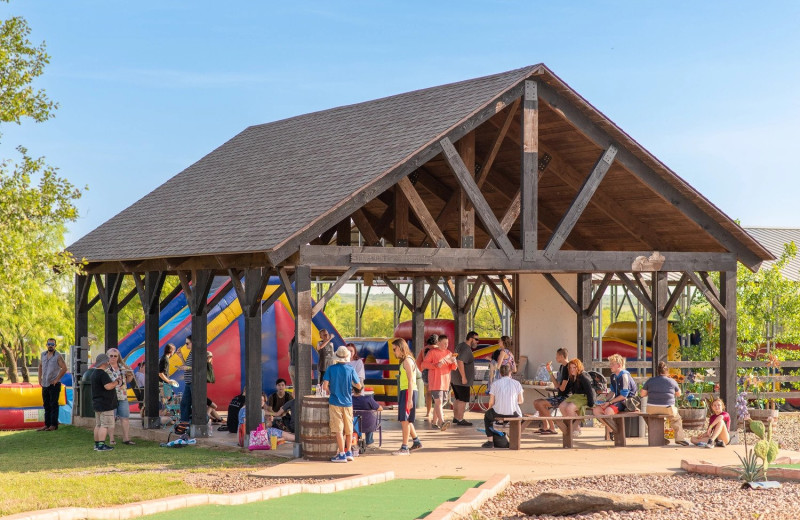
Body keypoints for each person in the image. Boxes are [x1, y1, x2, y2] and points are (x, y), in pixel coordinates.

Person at [322, 346, 362, 463]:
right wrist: (353, 389)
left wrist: (330, 391)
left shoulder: (331, 369)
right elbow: (359, 386)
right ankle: (349, 451)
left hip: (335, 402)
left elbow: (325, 386)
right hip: (348, 403)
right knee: (349, 429)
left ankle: (341, 454)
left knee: (338, 429)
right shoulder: (351, 369)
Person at [641, 361, 691, 446]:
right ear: (667, 371)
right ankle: (679, 438)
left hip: (652, 408)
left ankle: (660, 438)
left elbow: (642, 394)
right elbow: (679, 394)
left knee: (650, 418)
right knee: (676, 419)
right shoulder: (672, 381)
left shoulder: (650, 380)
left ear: (657, 372)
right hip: (667, 408)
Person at [391, 338, 423, 455]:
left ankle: (404, 447)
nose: (394, 352)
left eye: (395, 349)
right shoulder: (408, 360)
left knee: (404, 420)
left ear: (400, 348)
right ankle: (416, 441)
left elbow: (410, 380)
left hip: (408, 391)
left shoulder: (407, 361)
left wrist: (409, 399)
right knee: (407, 420)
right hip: (407, 391)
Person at [420, 334, 457, 431]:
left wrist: (453, 362)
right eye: (444, 343)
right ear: (438, 343)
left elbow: (454, 367)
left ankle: (434, 422)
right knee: (439, 401)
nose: (446, 345)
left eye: (447, 343)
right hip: (435, 381)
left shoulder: (449, 353)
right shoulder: (432, 352)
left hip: (445, 381)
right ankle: (442, 422)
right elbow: (424, 364)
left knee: (440, 402)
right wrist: (436, 365)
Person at [481, 364, 523, 448]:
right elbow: (521, 401)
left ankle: (490, 441)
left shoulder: (495, 384)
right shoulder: (517, 383)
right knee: (520, 417)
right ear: (510, 372)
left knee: (487, 417)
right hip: (514, 413)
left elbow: (491, 402)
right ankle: (514, 440)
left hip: (498, 412)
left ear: (500, 373)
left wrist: (489, 409)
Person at [533, 348, 570, 435]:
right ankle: (545, 426)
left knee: (540, 403)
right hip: (560, 394)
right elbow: (557, 385)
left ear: (561, 356)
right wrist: (549, 371)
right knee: (536, 402)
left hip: (565, 397)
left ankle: (552, 428)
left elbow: (562, 388)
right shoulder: (561, 367)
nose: (555, 358)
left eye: (557, 356)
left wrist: (559, 386)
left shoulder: (567, 368)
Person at [557, 358, 596, 437]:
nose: (572, 370)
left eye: (574, 367)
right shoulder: (572, 376)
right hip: (576, 397)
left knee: (569, 408)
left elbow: (589, 390)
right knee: (561, 406)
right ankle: (570, 426)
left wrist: (591, 403)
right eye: (570, 368)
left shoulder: (583, 376)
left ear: (578, 367)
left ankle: (576, 428)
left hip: (584, 397)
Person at [106, 348, 135, 445]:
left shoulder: (123, 367)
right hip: (110, 396)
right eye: (111, 356)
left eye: (115, 356)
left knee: (125, 418)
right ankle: (111, 439)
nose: (113, 358)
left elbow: (128, 380)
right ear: (107, 356)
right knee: (111, 419)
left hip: (122, 396)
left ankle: (126, 438)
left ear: (118, 357)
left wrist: (130, 374)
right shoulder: (105, 368)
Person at [37, 337, 67, 431]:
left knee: (53, 404)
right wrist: (39, 378)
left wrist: (57, 379)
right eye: (49, 344)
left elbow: (64, 368)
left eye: (52, 344)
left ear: (55, 346)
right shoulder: (43, 355)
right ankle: (47, 424)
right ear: (46, 345)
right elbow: (40, 366)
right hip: (45, 383)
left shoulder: (58, 356)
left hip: (54, 384)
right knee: (46, 404)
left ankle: (54, 425)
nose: (50, 346)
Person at [91, 353, 119, 451]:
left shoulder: (94, 373)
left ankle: (97, 444)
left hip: (97, 403)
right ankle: (101, 445)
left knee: (98, 424)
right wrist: (117, 382)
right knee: (105, 425)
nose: (108, 362)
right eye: (107, 360)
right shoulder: (102, 373)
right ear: (103, 362)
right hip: (105, 404)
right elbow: (108, 386)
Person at [452, 331, 478, 426]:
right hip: (461, 380)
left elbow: (454, 357)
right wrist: (463, 377)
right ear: (471, 339)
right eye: (476, 339)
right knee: (463, 400)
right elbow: (460, 361)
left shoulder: (460, 346)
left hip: (454, 378)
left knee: (458, 399)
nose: (477, 342)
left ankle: (456, 417)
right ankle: (460, 419)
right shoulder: (466, 349)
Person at [415, 335, 438, 418]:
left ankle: (428, 412)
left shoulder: (424, 349)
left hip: (426, 371)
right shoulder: (438, 349)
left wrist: (422, 369)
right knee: (437, 393)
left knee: (428, 393)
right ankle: (438, 412)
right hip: (436, 372)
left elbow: (417, 361)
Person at [176, 336, 193, 422]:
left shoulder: (197, 353)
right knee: (184, 403)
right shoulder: (191, 353)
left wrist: (187, 368)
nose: (186, 345)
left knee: (188, 403)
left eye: (187, 343)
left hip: (193, 382)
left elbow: (197, 367)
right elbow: (187, 365)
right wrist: (181, 357)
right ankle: (184, 422)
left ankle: (186, 422)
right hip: (188, 382)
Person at [206, 351, 222, 423]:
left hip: (202, 393)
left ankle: (219, 419)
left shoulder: (208, 365)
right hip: (201, 394)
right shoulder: (207, 365)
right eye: (210, 357)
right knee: (214, 406)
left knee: (212, 408)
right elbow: (210, 379)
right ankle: (208, 414)